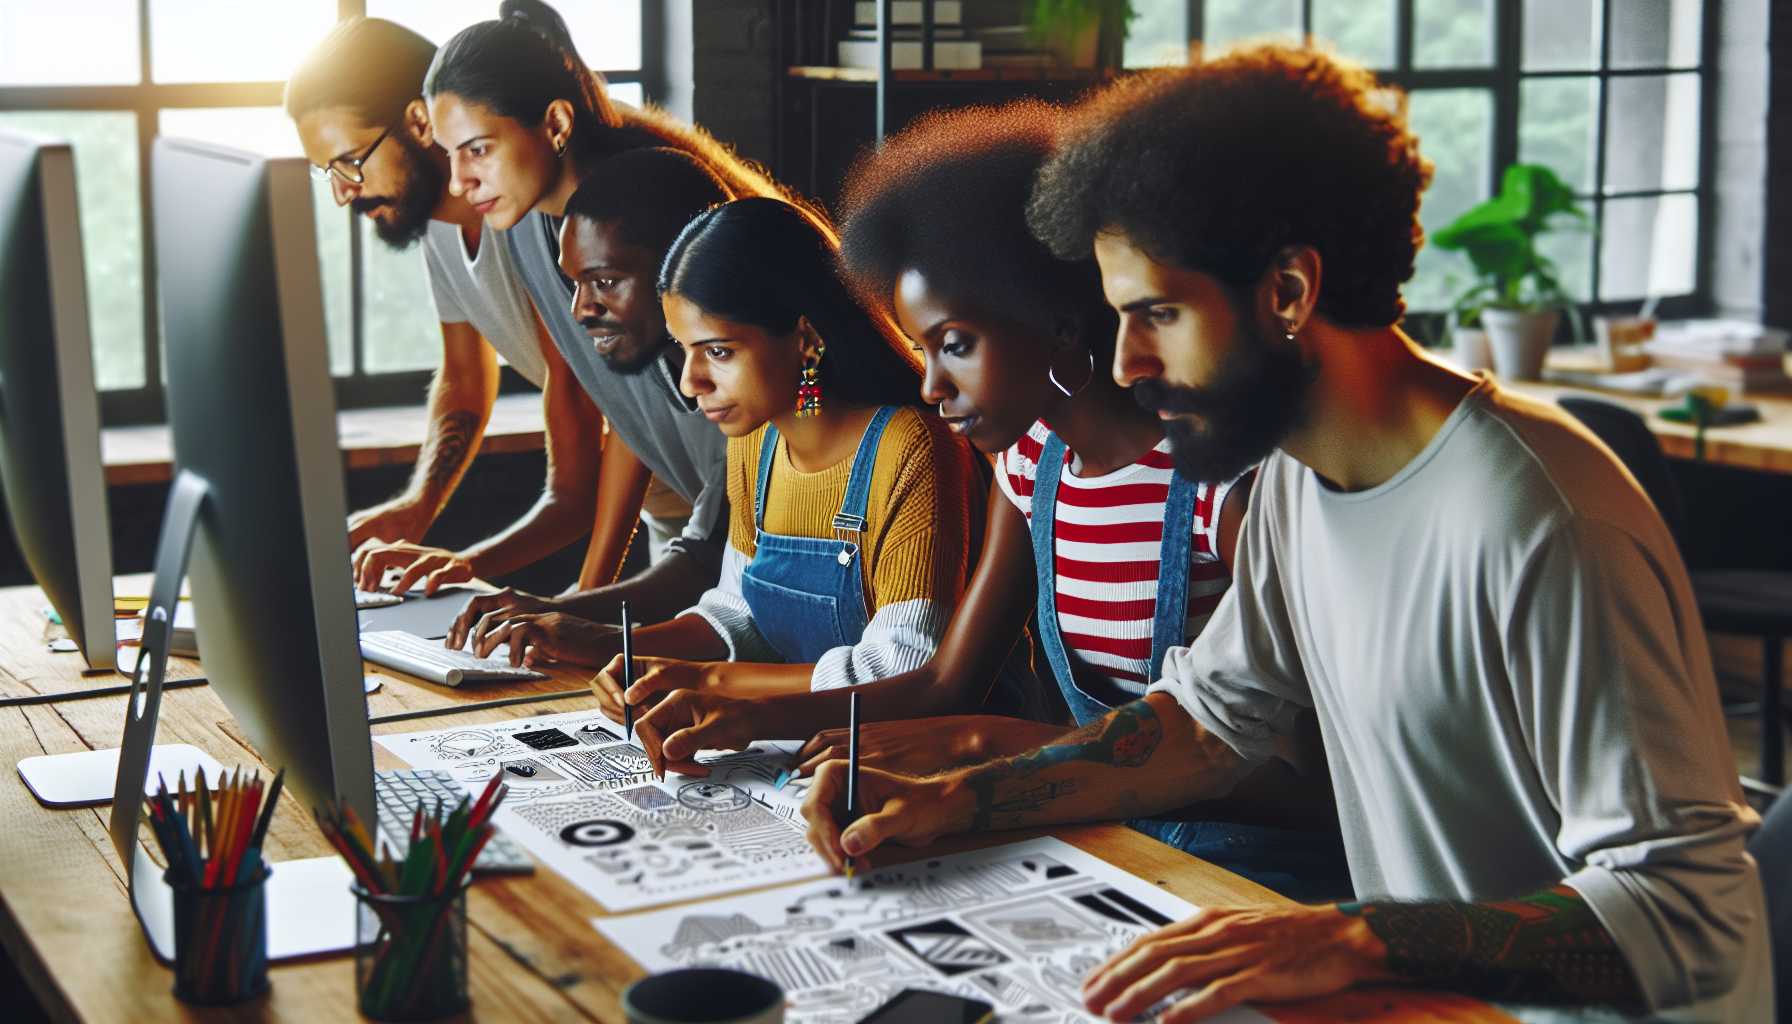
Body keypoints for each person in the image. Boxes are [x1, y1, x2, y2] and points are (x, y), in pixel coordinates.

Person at [801, 46, 1771, 1022]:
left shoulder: (1536, 513)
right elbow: (1200, 725)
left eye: (1159, 315)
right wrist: (958, 800)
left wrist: (1356, 934)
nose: (1129, 363)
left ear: (1288, 293)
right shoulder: (1296, 481)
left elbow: (1692, 912)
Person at [625, 102, 1346, 901]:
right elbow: (944, 683)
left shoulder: (1225, 488)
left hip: (1244, 864)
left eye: (955, 345)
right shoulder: (1031, 465)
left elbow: (1317, 784)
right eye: (922, 349)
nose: (931, 386)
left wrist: (997, 747)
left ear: (1058, 320)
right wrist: (749, 719)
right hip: (1089, 824)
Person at [371, 0, 810, 661]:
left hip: (794, 543)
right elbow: (627, 410)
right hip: (714, 543)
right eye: (450, 154)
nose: (459, 181)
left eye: (479, 151)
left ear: (554, 124)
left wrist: (572, 607)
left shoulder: (649, 222)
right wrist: (568, 597)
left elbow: (738, 496)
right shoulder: (531, 228)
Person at [526, 197, 990, 723]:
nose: (689, 382)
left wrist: (714, 681)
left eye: (719, 352)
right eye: (685, 349)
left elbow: (899, 667)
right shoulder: (754, 443)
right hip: (805, 743)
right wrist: (628, 654)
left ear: (807, 341)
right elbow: (742, 614)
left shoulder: (912, 448)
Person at [285, 17, 649, 593]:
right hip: (675, 511)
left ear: (419, 121)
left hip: (728, 496)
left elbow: (597, 434)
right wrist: (417, 507)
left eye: (350, 161)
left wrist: (584, 598)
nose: (342, 192)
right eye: (325, 171)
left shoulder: (536, 213)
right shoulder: (439, 223)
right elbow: (463, 375)